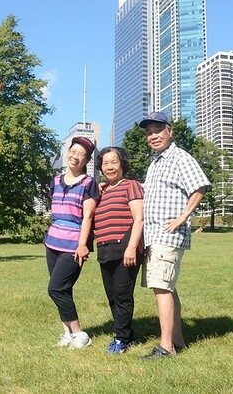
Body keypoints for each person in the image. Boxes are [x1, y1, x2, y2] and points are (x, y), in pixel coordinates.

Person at [138, 111, 210, 359]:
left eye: (158, 130)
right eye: (149, 133)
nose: (153, 136)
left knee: (161, 287)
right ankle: (177, 339)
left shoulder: (180, 157)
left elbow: (200, 185)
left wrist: (183, 217)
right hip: (154, 235)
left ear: (170, 131)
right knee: (167, 286)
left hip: (168, 234)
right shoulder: (156, 162)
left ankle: (166, 347)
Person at [44, 136, 99, 349]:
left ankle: (79, 334)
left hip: (74, 244)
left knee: (56, 288)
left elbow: (87, 217)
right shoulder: (56, 180)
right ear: (68, 152)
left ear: (86, 161)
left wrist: (83, 244)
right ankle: (66, 332)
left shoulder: (88, 183)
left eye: (81, 155)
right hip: (53, 242)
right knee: (63, 290)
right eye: (73, 152)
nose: (76, 157)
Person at [93, 146, 144, 354]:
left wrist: (132, 247)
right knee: (112, 295)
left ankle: (121, 339)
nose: (110, 166)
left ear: (122, 163)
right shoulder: (103, 191)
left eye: (114, 162)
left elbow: (139, 218)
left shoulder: (131, 185)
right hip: (105, 248)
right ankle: (126, 333)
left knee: (123, 294)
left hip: (125, 247)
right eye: (105, 163)